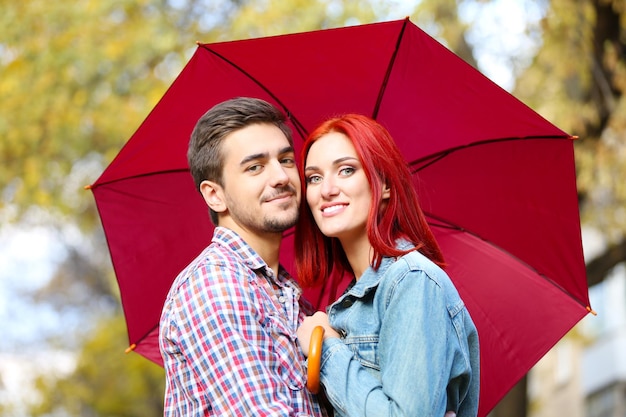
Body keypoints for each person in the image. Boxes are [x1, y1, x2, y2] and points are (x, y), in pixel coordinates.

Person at [294, 114, 480, 417]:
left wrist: (326, 349)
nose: (326, 189)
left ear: (386, 186)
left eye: (346, 170)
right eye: (314, 177)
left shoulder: (412, 281)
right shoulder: (351, 302)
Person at [158, 97, 327, 416]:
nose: (280, 177)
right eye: (255, 167)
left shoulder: (285, 294)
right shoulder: (217, 286)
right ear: (215, 195)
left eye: (286, 160)